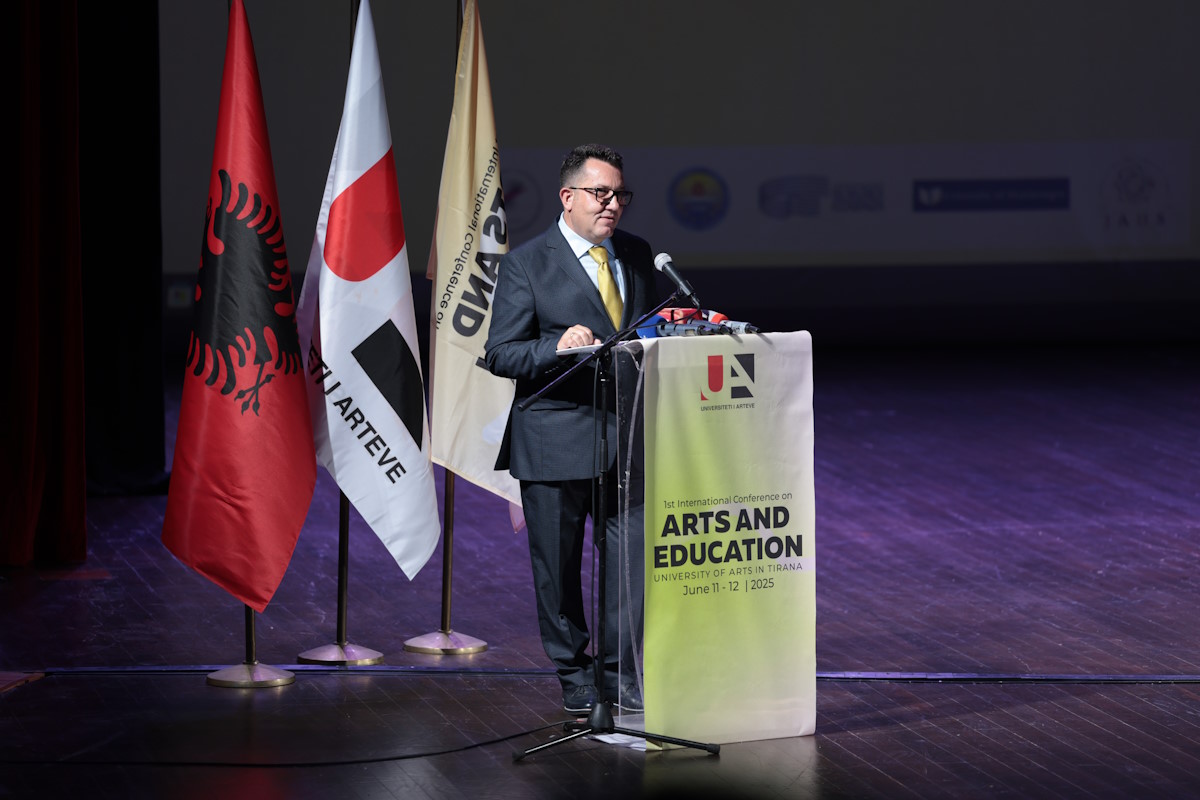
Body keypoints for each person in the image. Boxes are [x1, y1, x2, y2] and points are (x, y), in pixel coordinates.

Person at [485, 144, 661, 715]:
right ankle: (574, 673)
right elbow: (501, 353)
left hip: (626, 440)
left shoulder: (636, 253)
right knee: (558, 573)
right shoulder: (526, 265)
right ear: (568, 196)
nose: (613, 204)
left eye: (620, 195)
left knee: (629, 566)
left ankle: (618, 671)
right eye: (600, 193)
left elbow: (645, 333)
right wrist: (555, 347)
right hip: (554, 440)